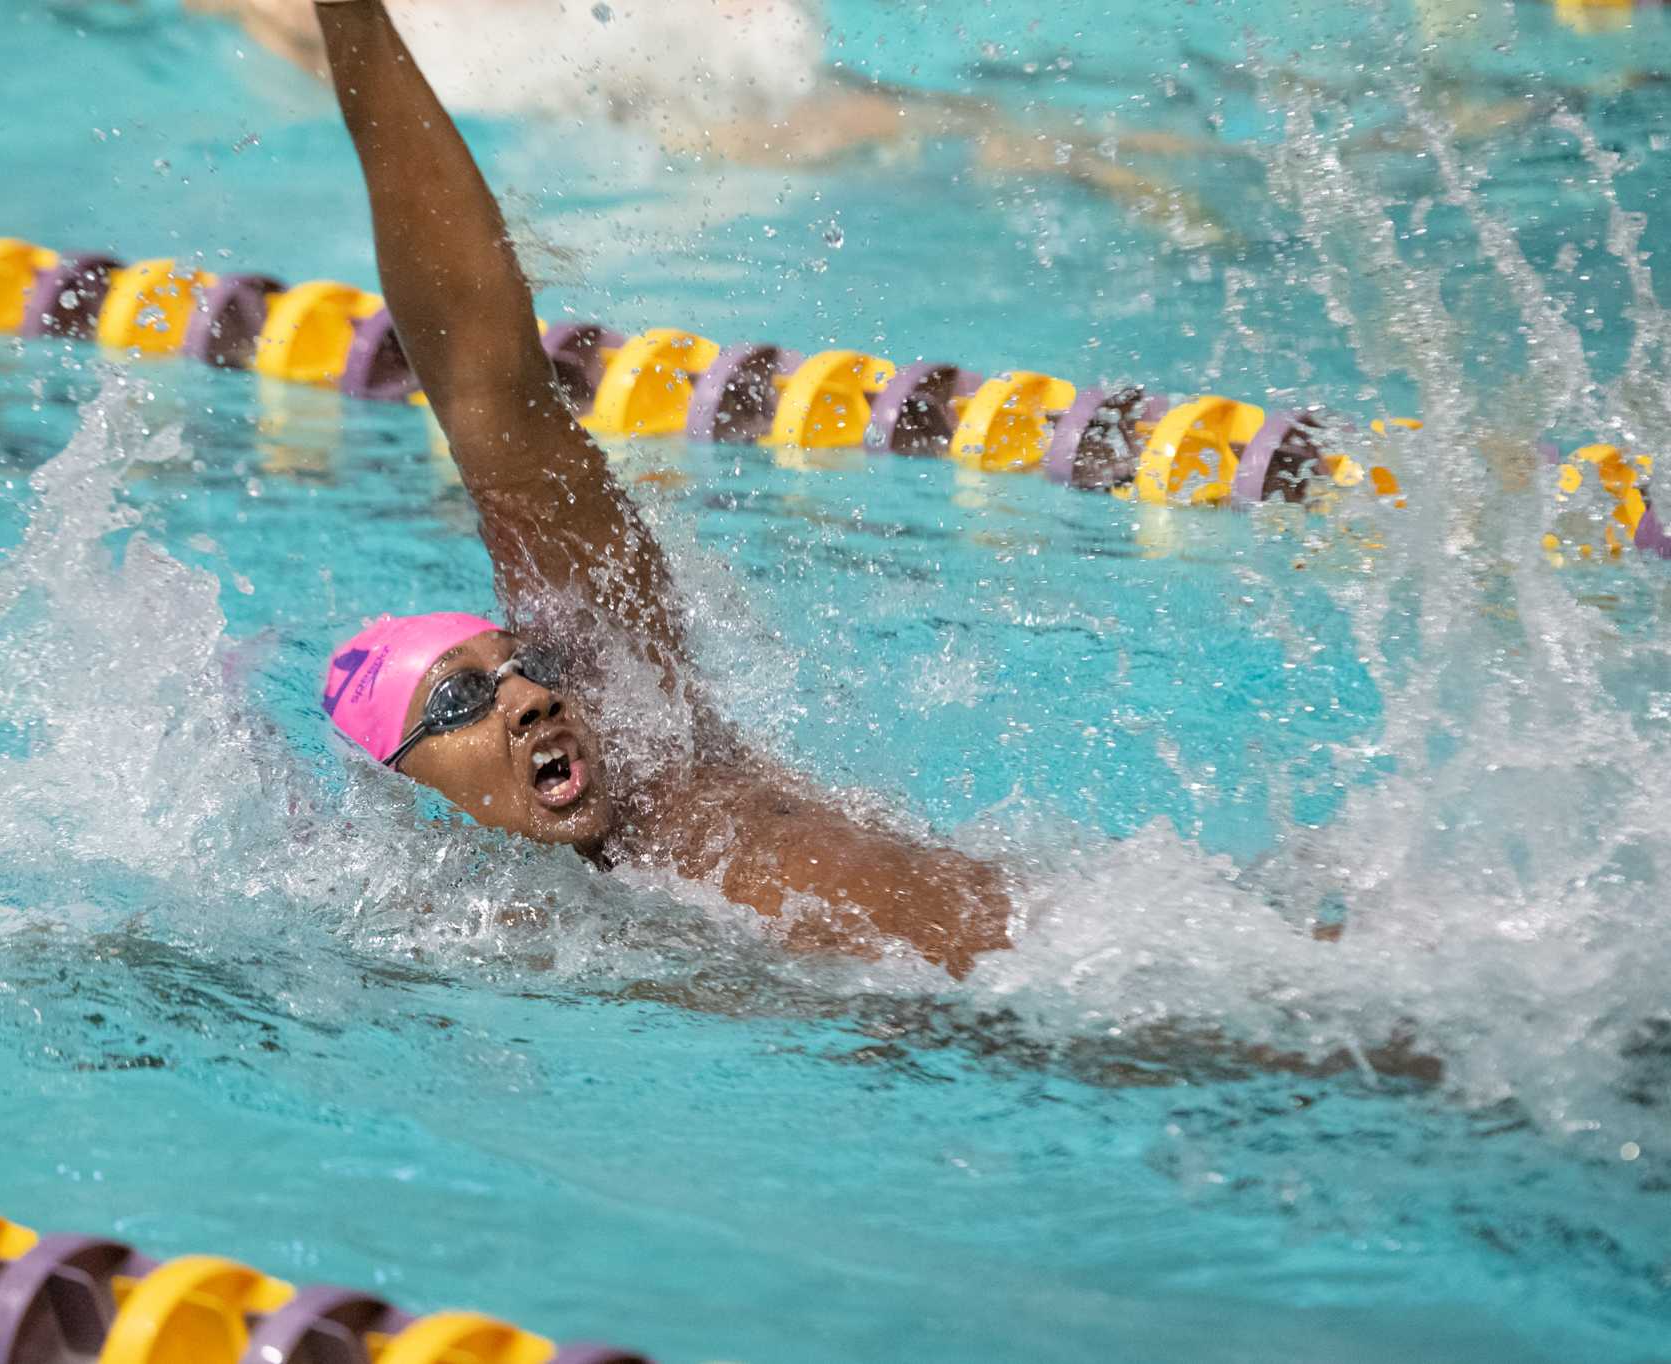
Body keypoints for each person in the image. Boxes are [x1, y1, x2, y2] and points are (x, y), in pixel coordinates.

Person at [308, 0, 1011, 980]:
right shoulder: (487, 926)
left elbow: (487, 382)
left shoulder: (659, 754)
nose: (529, 697)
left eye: (526, 665)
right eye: (464, 696)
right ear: (412, 788)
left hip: (1092, 964)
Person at [194, 0, 1231, 248]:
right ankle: (1143, 164)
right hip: (627, 58)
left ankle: (1131, 175)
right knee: (895, 117)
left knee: (858, 127)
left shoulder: (280, 20)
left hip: (614, 86)